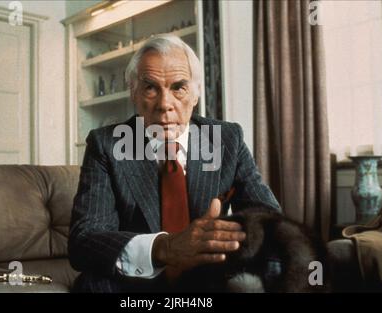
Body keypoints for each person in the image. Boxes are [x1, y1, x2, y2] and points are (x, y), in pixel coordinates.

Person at [68, 34, 280, 293]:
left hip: (209, 279)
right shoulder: (106, 145)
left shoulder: (227, 139)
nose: (164, 105)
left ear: (196, 93)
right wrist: (165, 248)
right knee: (94, 285)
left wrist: (223, 239)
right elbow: (84, 242)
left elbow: (270, 221)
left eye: (178, 87)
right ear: (133, 94)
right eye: (150, 88)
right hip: (138, 283)